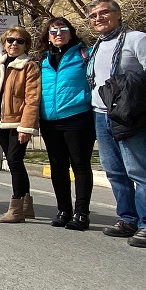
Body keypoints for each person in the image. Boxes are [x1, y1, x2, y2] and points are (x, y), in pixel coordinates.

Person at [86, 0, 146, 248]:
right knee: (115, 171)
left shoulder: (137, 39)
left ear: (118, 14)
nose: (98, 18)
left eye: (104, 13)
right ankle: (128, 219)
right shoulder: (98, 46)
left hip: (131, 116)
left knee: (139, 171)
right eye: (93, 16)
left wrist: (133, 101)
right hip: (102, 115)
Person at [0, 26, 41, 223]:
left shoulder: (29, 67)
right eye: (10, 40)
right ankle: (27, 205)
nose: (14, 44)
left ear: (26, 45)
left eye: (20, 41)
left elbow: (32, 99)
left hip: (17, 123)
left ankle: (16, 207)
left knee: (14, 161)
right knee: (15, 163)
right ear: (4, 44)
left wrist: (26, 126)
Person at [38, 17, 95, 230]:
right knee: (57, 166)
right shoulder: (42, 59)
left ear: (71, 33)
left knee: (80, 165)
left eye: (63, 29)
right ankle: (63, 210)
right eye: (54, 31)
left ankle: (81, 214)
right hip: (49, 121)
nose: (58, 34)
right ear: (48, 37)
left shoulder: (84, 55)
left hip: (77, 117)